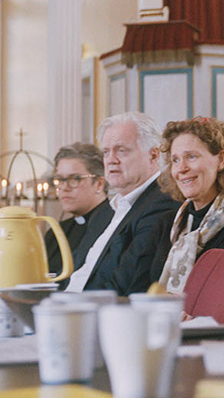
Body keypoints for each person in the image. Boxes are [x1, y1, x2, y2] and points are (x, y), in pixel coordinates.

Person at [66, 112, 178, 296]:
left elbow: (128, 284)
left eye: (121, 150)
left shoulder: (162, 205)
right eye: (106, 152)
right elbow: (77, 272)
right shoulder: (105, 212)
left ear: (153, 155)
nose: (111, 160)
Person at [154, 117, 224, 295]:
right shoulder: (166, 224)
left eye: (191, 157)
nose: (181, 168)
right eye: (175, 160)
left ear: (221, 160)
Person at [44, 143, 112, 268]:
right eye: (59, 179)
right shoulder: (56, 232)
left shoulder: (114, 225)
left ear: (99, 184)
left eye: (75, 179)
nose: (64, 187)